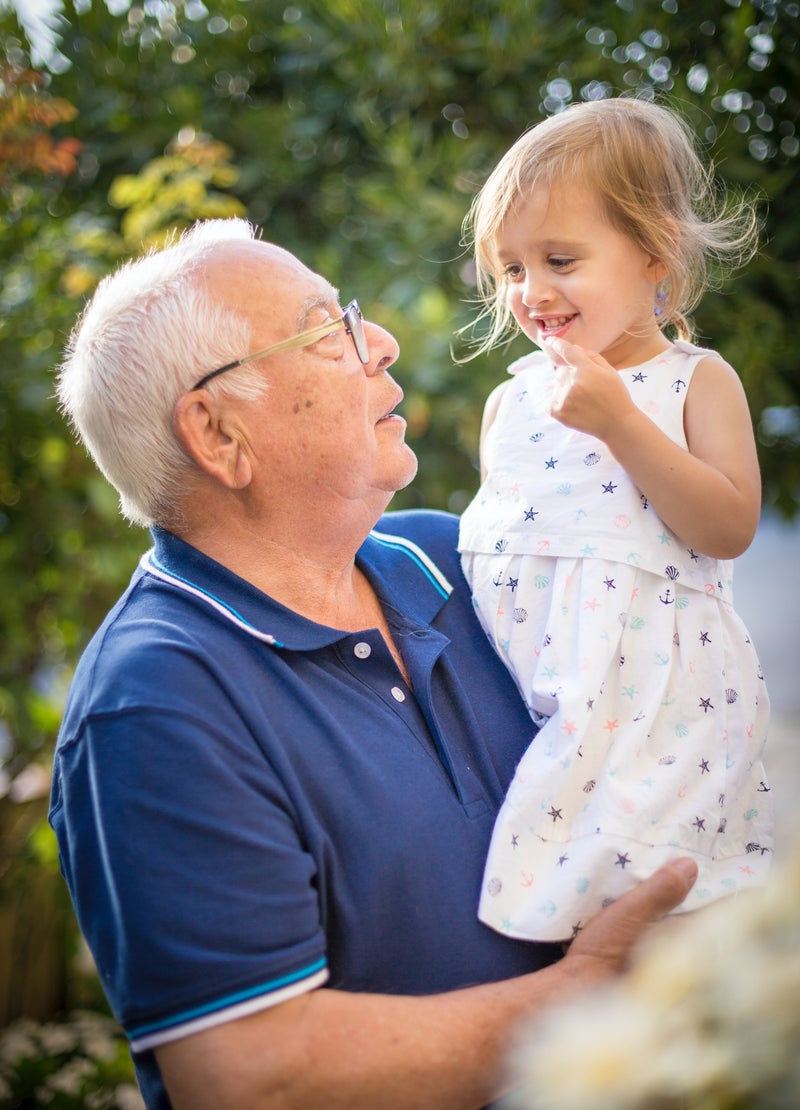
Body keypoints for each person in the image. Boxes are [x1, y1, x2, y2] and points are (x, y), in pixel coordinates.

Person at [50, 216, 698, 1110]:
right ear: (218, 435)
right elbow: (248, 1076)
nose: (382, 343)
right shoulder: (156, 703)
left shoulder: (464, 561)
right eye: (329, 331)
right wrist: (582, 994)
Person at [458, 96, 773, 945]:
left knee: (660, 918)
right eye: (512, 269)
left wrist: (622, 425)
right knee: (552, 930)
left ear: (653, 252)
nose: (532, 292)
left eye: (560, 258)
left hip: (659, 716)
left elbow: (728, 525)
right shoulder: (510, 402)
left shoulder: (693, 382)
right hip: (539, 710)